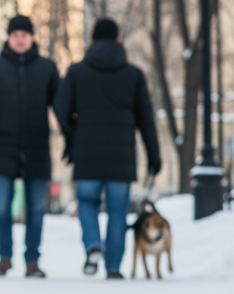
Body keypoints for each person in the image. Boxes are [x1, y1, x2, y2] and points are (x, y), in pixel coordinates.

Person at [54, 18, 161, 280]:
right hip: (121, 158)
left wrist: (72, 134)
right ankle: (113, 266)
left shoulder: (77, 71)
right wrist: (153, 155)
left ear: (91, 41)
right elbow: (146, 119)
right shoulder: (133, 74)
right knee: (117, 210)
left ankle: (93, 246)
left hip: (87, 154)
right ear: (118, 41)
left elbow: (60, 107)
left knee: (87, 203)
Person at [0, 14, 60, 278]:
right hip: (3, 148)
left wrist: (74, 140)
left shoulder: (47, 67)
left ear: (32, 38)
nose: (20, 39)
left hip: (37, 148)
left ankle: (33, 261)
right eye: (15, 35)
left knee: (36, 209)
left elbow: (62, 106)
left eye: (25, 35)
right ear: (9, 38)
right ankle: (5, 256)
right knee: (1, 207)